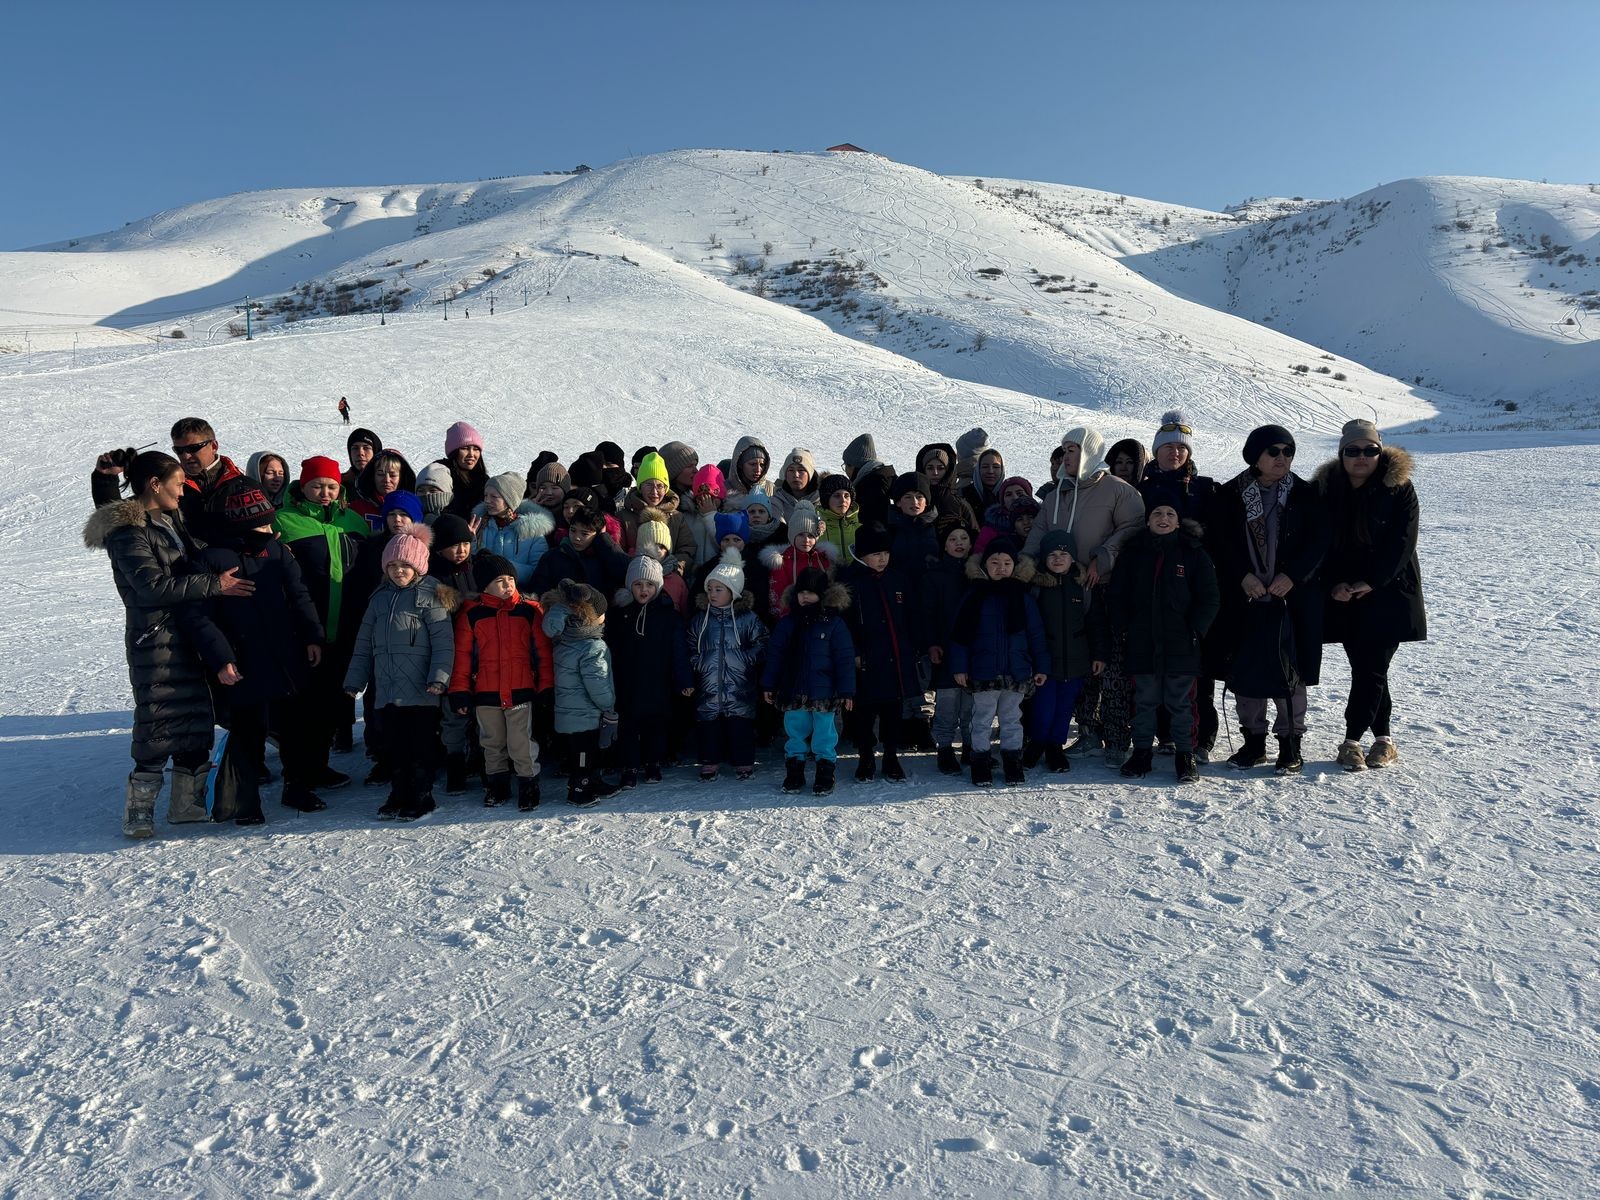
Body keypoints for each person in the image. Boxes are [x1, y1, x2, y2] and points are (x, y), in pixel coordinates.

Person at [84, 451, 255, 837]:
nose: (183, 490)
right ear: (155, 484)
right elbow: (150, 586)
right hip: (156, 637)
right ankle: (139, 810)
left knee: (196, 718)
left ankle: (187, 805)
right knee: (157, 721)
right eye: (177, 483)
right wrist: (216, 585)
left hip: (189, 631)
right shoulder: (131, 532)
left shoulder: (167, 519)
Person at [194, 481, 325, 825]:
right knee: (248, 733)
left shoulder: (276, 552)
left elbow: (299, 595)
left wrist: (312, 635)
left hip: (286, 656)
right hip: (243, 661)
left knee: (295, 727)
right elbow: (201, 618)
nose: (271, 531)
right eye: (263, 525)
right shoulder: (211, 559)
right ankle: (245, 800)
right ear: (241, 525)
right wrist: (221, 659)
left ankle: (298, 786)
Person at [1020, 427, 1144, 766]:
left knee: (1111, 665)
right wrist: (1026, 568)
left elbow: (1133, 527)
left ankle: (1118, 737)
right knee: (1073, 666)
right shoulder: (1057, 493)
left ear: (1089, 451)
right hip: (1061, 589)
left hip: (1104, 588)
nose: (1065, 456)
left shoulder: (1119, 491)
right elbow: (1040, 532)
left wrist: (1103, 557)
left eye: (1072, 449)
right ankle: (1087, 730)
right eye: (1063, 450)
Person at [1208, 424, 1329, 774]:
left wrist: (1292, 577)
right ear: (1255, 455)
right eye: (1273, 451)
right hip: (1245, 598)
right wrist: (1241, 576)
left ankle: (1291, 744)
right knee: (1247, 670)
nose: (1282, 458)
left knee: (1290, 673)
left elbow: (1320, 541)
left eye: (1288, 451)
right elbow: (1219, 542)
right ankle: (1254, 741)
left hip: (1292, 599)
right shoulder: (1230, 494)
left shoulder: (1306, 494)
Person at [1315, 420, 1426, 771]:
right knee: (1367, 667)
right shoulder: (1328, 489)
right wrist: (1334, 584)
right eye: (1353, 450)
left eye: (1369, 450)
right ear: (1341, 454)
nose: (1361, 457)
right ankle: (1384, 739)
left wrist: (1372, 582)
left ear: (1381, 453)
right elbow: (1322, 544)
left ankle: (1351, 740)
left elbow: (1403, 543)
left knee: (1371, 667)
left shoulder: (1400, 488)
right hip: (1345, 593)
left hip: (1389, 592)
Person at [272, 455, 371, 801]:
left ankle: (319, 765)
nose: (325, 492)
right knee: (300, 705)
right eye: (317, 486)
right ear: (303, 487)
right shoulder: (284, 522)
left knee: (331, 701)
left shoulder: (354, 522)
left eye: (331, 486)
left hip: (345, 628)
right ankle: (294, 777)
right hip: (304, 630)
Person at [343, 526, 458, 821]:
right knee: (392, 744)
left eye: (405, 565)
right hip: (388, 689)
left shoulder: (432, 595)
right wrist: (355, 680)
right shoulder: (379, 598)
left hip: (421, 690)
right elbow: (363, 644)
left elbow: (444, 643)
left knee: (418, 745)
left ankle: (421, 795)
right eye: (392, 565)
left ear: (418, 565)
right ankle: (398, 792)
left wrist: (439, 677)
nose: (398, 571)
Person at [1110, 492, 1221, 783]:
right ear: (1148, 520)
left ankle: (1186, 754)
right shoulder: (1132, 554)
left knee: (1181, 702)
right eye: (1157, 513)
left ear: (1178, 522)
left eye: (1170, 514)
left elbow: (1209, 597)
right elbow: (1117, 595)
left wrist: (1195, 629)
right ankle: (1142, 752)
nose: (1163, 518)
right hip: (1142, 641)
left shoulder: (1193, 552)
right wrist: (1125, 626)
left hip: (1181, 642)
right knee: (1144, 700)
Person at [1139, 411, 1223, 759]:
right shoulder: (1142, 490)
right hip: (1154, 585)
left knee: (1196, 668)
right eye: (1167, 447)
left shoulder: (1205, 489)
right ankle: (1165, 734)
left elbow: (1220, 537)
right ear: (1155, 451)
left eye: (1181, 448)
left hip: (1194, 586)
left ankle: (1201, 738)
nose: (1174, 453)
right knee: (1157, 663)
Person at [449, 552, 554, 812]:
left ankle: (529, 785)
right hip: (486, 692)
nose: (508, 585)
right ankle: (497, 785)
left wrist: (546, 687)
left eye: (511, 579)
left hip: (521, 691)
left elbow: (543, 653)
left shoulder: (530, 611)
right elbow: (461, 656)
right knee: (492, 742)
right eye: (500, 580)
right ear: (484, 585)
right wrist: (460, 690)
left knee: (521, 743)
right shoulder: (471, 614)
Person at [948, 537, 1049, 787]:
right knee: (981, 719)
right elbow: (960, 636)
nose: (1001, 567)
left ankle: (1012, 763)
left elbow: (1036, 635)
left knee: (1011, 720)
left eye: (1006, 562)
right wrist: (960, 667)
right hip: (983, 672)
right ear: (984, 566)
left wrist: (1041, 666)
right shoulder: (974, 597)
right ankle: (980, 762)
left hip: (1016, 672)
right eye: (994, 562)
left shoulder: (1023, 599)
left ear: (1015, 566)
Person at [763, 566, 856, 796]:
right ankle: (795, 770)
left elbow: (844, 659)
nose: (805, 597)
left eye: (811, 593)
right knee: (795, 731)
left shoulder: (834, 624)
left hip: (823, 691)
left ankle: (825, 771)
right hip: (793, 688)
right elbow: (775, 655)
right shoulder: (788, 623)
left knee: (824, 733)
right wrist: (769, 684)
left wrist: (847, 691)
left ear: (822, 595)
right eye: (801, 592)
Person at [605, 555, 694, 788]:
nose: (644, 590)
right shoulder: (620, 615)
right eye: (638, 584)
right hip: (628, 681)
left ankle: (653, 762)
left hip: (659, 680)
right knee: (629, 726)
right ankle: (630, 766)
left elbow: (679, 651)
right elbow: (611, 649)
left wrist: (684, 680)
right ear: (629, 586)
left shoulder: (668, 615)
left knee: (657, 724)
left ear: (658, 586)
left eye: (649, 585)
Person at [839, 523, 918, 782]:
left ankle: (891, 756)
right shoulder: (849, 582)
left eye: (885, 553)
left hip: (894, 658)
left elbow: (909, 617)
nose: (881, 559)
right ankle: (866, 756)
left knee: (892, 712)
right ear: (862, 555)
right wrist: (854, 652)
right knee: (863, 713)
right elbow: (843, 623)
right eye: (875, 554)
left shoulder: (897, 579)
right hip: (865, 660)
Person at [92, 418, 248, 546]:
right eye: (179, 450)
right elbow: (117, 520)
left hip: (241, 574)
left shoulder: (242, 482)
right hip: (190, 578)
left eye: (193, 448)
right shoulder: (166, 485)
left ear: (214, 446)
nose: (186, 456)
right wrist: (105, 479)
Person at [1027, 530, 1106, 773]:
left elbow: (1095, 622)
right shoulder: (1036, 586)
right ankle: (1036, 743)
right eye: (1052, 554)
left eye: (1063, 554)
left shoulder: (1083, 585)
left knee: (1064, 708)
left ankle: (1055, 747)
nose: (1058, 559)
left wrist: (1098, 655)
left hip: (1076, 660)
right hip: (1045, 661)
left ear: (1073, 558)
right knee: (1043, 708)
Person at [687, 550, 768, 780]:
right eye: (710, 589)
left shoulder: (747, 618)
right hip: (709, 684)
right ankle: (709, 761)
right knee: (709, 725)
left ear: (733, 591)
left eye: (719, 589)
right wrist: (698, 662)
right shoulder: (700, 619)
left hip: (739, 685)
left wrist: (746, 659)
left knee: (739, 725)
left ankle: (743, 761)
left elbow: (762, 643)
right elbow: (691, 644)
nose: (712, 593)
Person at [542, 579, 619, 806]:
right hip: (586, 715)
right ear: (592, 617)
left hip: (568, 714)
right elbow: (597, 681)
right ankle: (579, 789)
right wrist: (608, 705)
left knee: (587, 754)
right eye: (603, 613)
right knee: (584, 756)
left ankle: (594, 781)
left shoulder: (564, 640)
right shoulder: (592, 646)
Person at [426, 514, 480, 793]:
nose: (461, 550)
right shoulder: (433, 575)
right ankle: (455, 763)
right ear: (439, 548)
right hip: (449, 653)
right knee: (453, 714)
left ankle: (479, 759)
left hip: (477, 651)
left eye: (465, 543)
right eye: (454, 545)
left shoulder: (477, 568)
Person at [921, 522, 978, 774]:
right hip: (945, 648)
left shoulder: (977, 574)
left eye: (964, 538)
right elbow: (927, 613)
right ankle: (944, 748)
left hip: (974, 649)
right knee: (947, 702)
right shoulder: (934, 575)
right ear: (944, 544)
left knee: (971, 703)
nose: (959, 543)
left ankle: (969, 746)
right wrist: (931, 642)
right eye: (953, 539)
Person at [619, 452, 697, 575]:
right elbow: (619, 551)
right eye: (648, 484)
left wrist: (675, 568)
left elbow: (687, 549)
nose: (654, 491)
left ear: (666, 489)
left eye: (660, 486)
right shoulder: (624, 516)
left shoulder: (676, 517)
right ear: (640, 486)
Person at [475, 470, 555, 589]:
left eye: (494, 496)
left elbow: (538, 570)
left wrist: (506, 569)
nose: (487, 500)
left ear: (509, 500)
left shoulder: (532, 531)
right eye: (486, 495)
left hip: (518, 594)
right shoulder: (481, 525)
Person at [530, 506, 630, 596]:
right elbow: (539, 590)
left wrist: (604, 539)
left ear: (597, 534)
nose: (577, 538)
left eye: (584, 534)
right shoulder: (553, 556)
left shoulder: (605, 556)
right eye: (573, 530)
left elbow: (626, 572)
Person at [762, 501, 834, 620]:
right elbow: (778, 596)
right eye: (800, 535)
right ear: (792, 535)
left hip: (821, 619)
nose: (806, 540)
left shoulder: (823, 558)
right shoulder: (783, 561)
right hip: (793, 619)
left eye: (810, 536)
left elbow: (830, 588)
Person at [886, 474, 940, 581]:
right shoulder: (889, 528)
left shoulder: (938, 526)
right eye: (908, 497)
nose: (915, 502)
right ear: (898, 502)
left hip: (931, 588)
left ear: (926, 501)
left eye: (919, 496)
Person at [349, 448, 417, 533]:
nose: (387, 480)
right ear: (373, 476)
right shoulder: (357, 508)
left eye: (393, 475)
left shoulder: (413, 507)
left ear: (401, 477)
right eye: (380, 474)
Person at [438, 421, 489, 518]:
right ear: (454, 452)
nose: (471, 454)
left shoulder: (484, 481)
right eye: (465, 448)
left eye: (476, 449)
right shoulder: (440, 475)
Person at [817, 474, 861, 562]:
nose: (843, 500)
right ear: (826, 499)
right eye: (837, 496)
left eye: (847, 496)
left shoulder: (861, 528)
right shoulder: (816, 529)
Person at [771, 448, 821, 523]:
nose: (796, 475)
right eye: (791, 470)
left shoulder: (823, 502)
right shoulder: (775, 503)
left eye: (801, 470)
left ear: (810, 474)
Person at [724, 435, 773, 506]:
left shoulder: (772, 490)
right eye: (753, 464)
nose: (758, 470)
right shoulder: (722, 490)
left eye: (762, 465)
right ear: (740, 464)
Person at [962, 446, 1007, 519]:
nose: (990, 471)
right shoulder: (964, 494)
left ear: (1002, 470)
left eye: (996, 467)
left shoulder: (1008, 494)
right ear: (978, 469)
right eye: (985, 467)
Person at [342, 428, 381, 496]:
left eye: (366, 448)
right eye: (355, 448)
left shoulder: (387, 483)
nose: (360, 453)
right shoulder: (338, 485)